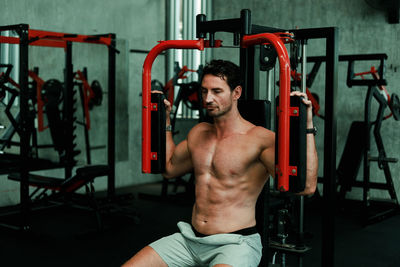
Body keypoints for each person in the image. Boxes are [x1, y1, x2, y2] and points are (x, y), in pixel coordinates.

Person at [123, 59, 318, 267]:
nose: (208, 98)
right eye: (204, 91)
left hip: (235, 243)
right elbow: (169, 169)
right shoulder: (199, 133)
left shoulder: (260, 139)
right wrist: (166, 121)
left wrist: (306, 126)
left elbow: (306, 188)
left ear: (236, 93)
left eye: (217, 91)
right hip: (190, 240)